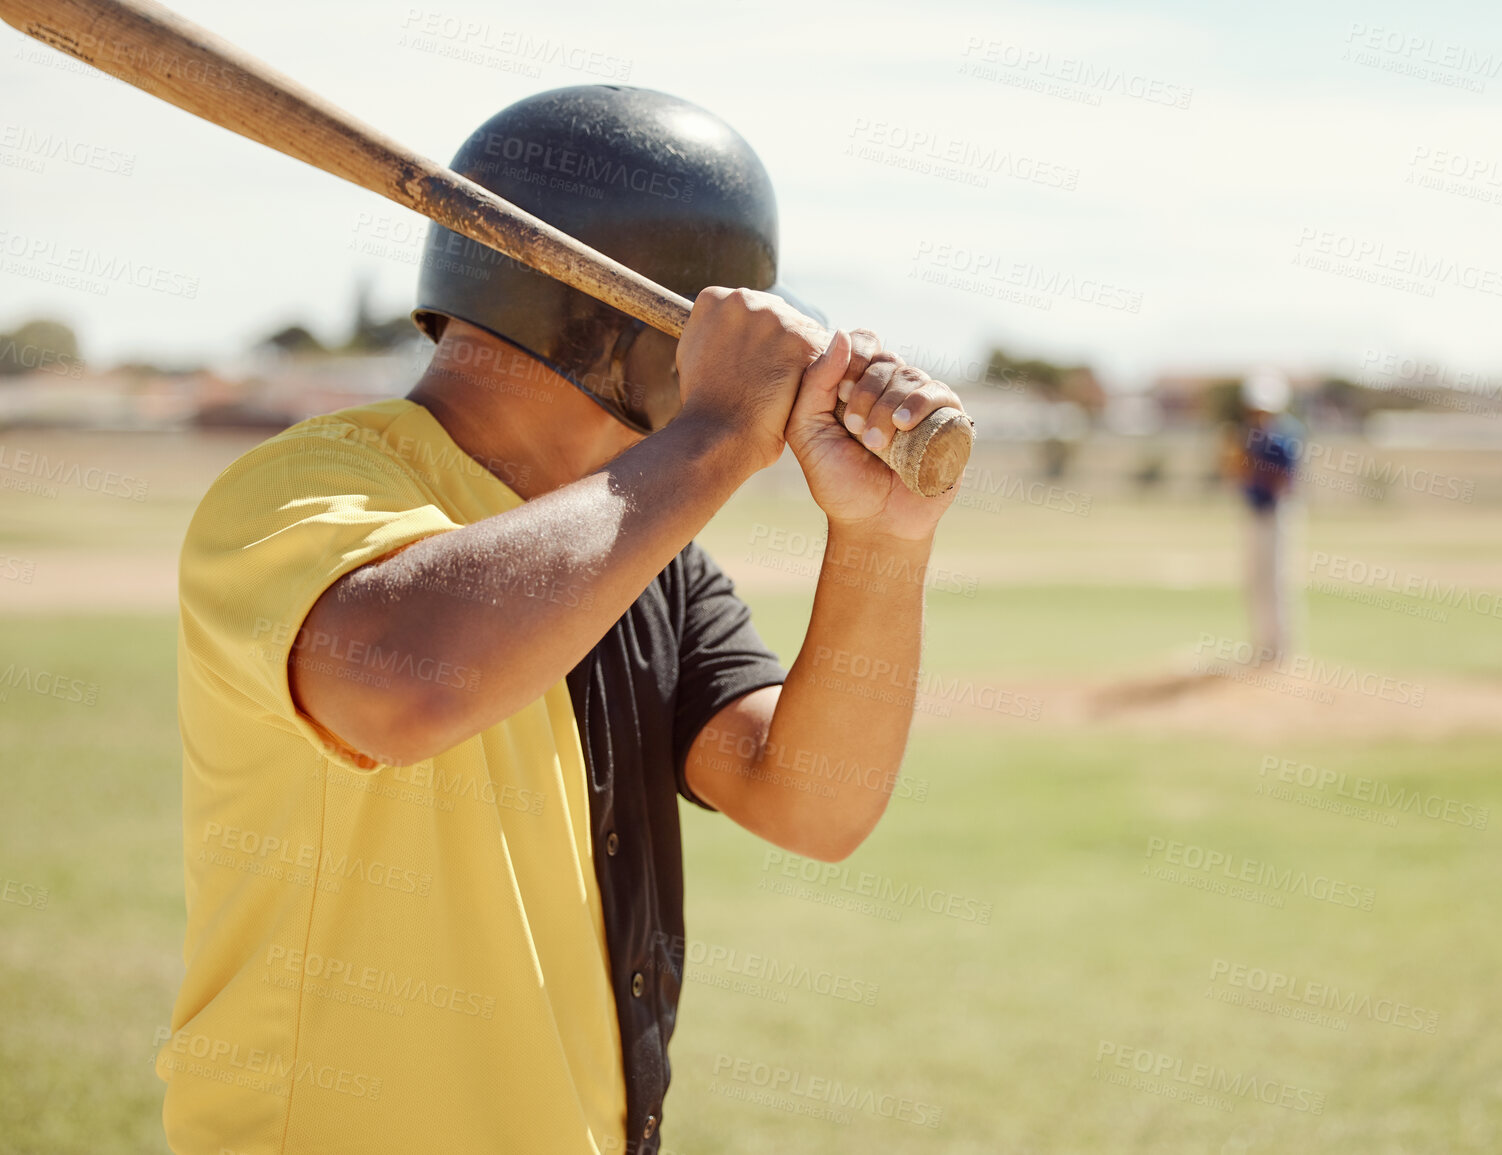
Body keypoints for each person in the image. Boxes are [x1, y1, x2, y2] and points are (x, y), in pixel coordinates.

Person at [159, 86, 961, 1155]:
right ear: (649, 335)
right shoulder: (303, 487)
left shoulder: (645, 559)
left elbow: (813, 804)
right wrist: (721, 431)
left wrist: (882, 539)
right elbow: (407, 686)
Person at [1226, 368, 1302, 661]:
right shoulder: (1246, 435)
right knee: (1255, 579)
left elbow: (1282, 480)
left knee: (1277, 580)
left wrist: (1248, 465)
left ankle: (1280, 649)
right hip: (1253, 513)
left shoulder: (1284, 435)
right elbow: (1237, 474)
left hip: (1275, 514)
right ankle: (1261, 644)